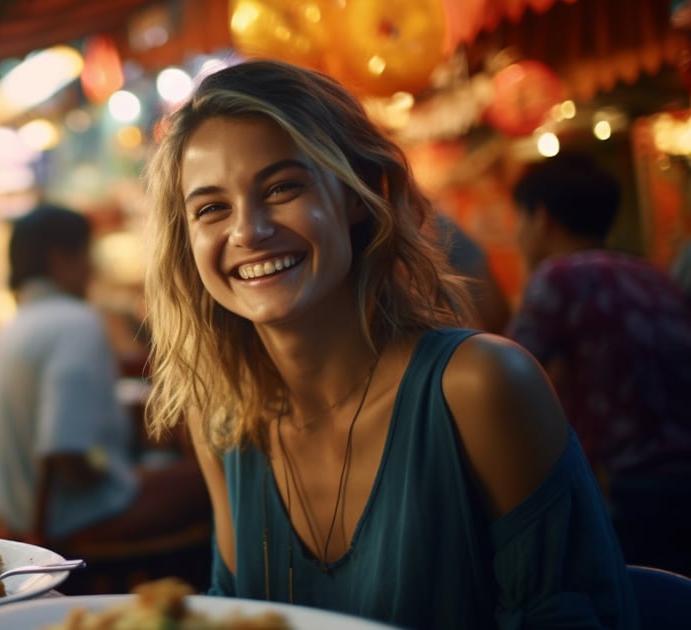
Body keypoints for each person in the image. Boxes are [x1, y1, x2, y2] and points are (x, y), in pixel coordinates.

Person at [142, 60, 637, 628]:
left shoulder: (481, 386)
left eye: (282, 188)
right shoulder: (221, 420)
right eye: (211, 208)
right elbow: (231, 617)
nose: (248, 231)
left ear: (361, 194)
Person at [0, 204, 209, 547]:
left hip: (14, 521)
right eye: (88, 256)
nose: (93, 269)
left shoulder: (14, 326)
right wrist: (116, 472)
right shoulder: (76, 323)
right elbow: (70, 452)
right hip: (68, 524)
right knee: (210, 479)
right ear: (60, 259)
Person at [506, 152, 691, 574]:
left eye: (518, 218)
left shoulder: (559, 277)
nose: (517, 235)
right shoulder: (652, 274)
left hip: (626, 494)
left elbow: (505, 377)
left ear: (542, 219)